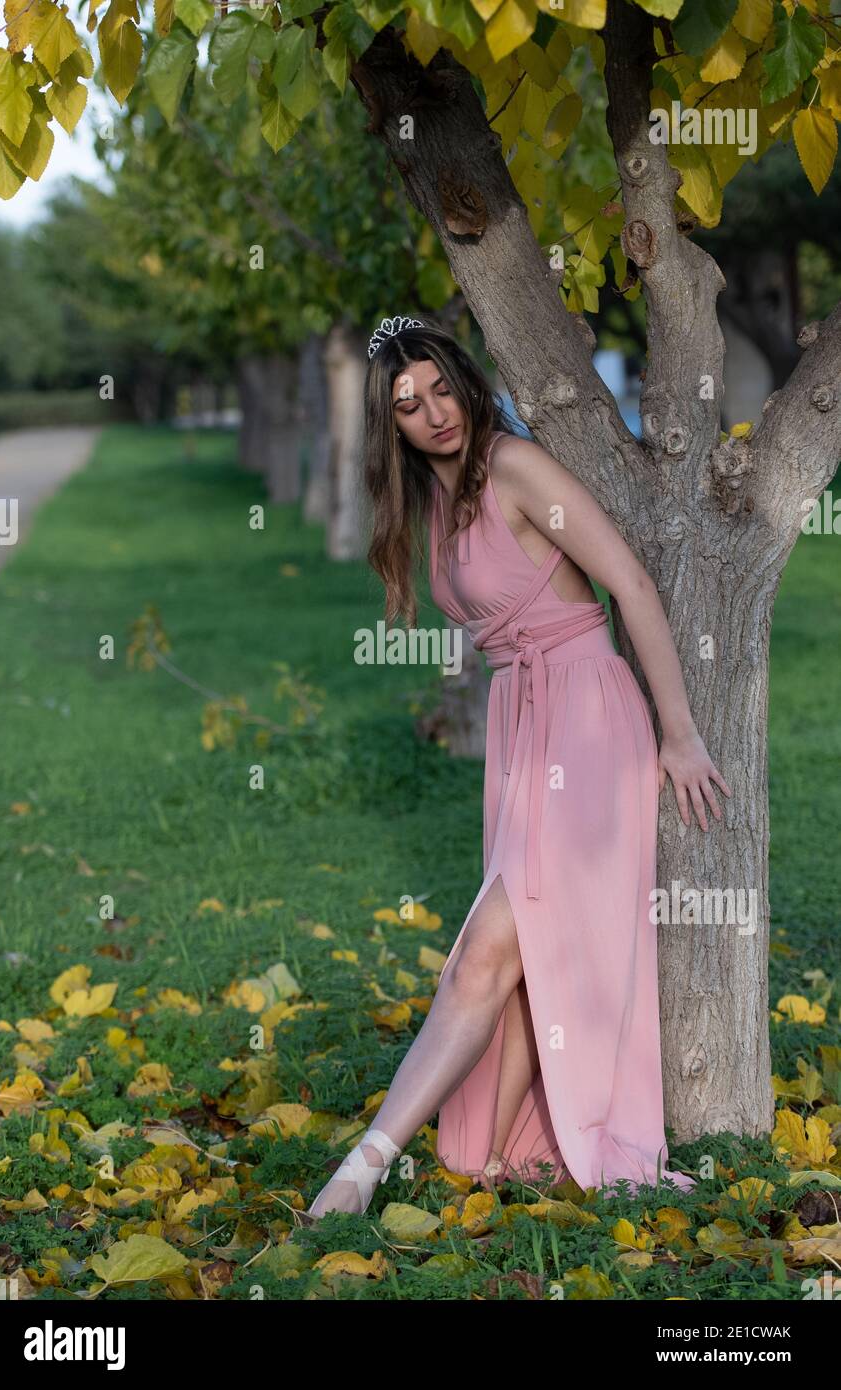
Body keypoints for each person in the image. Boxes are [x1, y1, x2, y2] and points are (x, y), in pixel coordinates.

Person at [303, 315, 731, 1221]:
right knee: (528, 950)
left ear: (464, 383)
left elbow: (630, 584)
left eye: (441, 389)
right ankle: (493, 1151)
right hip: (522, 727)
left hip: (586, 715)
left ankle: (361, 1170)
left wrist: (679, 732)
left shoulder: (517, 469)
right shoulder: (430, 505)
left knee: (484, 953)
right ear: (390, 426)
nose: (434, 414)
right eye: (408, 405)